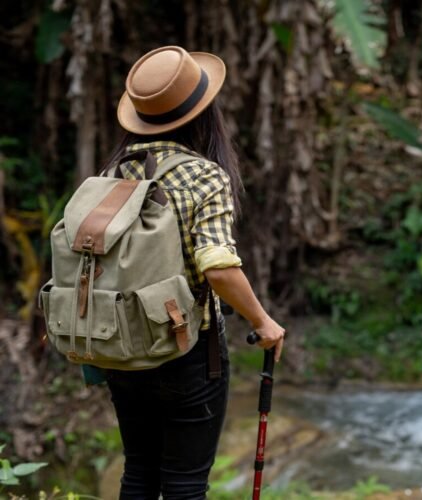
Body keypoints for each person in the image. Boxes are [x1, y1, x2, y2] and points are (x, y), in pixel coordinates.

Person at [101, 45, 286, 499]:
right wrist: (263, 322)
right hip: (187, 349)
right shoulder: (204, 176)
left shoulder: (112, 174)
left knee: (139, 471)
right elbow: (217, 266)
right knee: (185, 483)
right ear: (204, 114)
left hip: (121, 345)